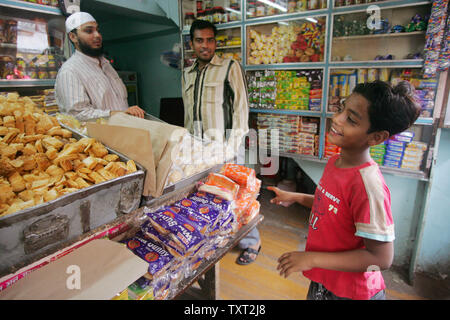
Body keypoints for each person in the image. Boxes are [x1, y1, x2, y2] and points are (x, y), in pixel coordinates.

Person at [269, 80, 421, 300]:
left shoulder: (368, 186)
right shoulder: (336, 162)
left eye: (351, 119)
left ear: (377, 137)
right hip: (326, 281)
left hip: (352, 292)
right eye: (341, 109)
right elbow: (334, 207)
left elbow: (381, 258)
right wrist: (297, 197)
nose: (337, 118)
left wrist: (311, 259)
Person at [181, 19, 260, 265]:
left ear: (216, 42)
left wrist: (231, 148)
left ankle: (251, 241)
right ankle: (217, 238)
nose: (205, 46)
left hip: (224, 148)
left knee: (238, 196)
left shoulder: (229, 67)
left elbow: (241, 109)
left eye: (210, 40)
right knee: (207, 196)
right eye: (200, 40)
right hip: (196, 149)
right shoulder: (186, 73)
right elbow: (188, 112)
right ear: (192, 43)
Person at [55, 12, 145, 121]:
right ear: (73, 37)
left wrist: (127, 113)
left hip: (124, 132)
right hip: (99, 137)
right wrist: (118, 114)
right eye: (89, 31)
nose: (97, 35)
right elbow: (77, 115)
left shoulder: (106, 65)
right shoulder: (69, 71)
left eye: (98, 30)